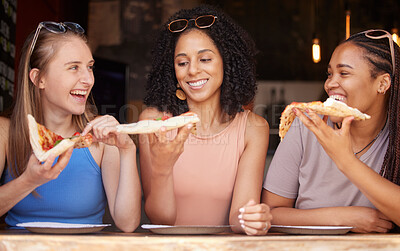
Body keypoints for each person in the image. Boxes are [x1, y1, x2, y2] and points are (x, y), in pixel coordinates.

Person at [138, 5, 271, 235]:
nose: (192, 71)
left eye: (205, 59)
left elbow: (238, 219)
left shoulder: (253, 128)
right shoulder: (154, 122)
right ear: (173, 71)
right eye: (182, 62)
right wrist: (162, 169)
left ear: (226, 63)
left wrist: (254, 219)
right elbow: (160, 220)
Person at [0, 22, 141, 232]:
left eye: (89, 67)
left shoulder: (101, 137)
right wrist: (29, 181)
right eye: (74, 67)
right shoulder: (5, 131)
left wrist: (127, 149)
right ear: (39, 79)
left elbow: (127, 223)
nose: (88, 79)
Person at [262, 29, 400, 233]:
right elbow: (269, 214)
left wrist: (346, 161)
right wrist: (342, 218)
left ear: (382, 83)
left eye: (344, 73)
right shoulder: (306, 126)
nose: (330, 84)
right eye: (329, 74)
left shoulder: (395, 138)